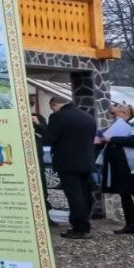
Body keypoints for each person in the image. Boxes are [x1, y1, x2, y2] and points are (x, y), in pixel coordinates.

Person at [46, 98, 98, 239]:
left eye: (52, 108)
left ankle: (79, 227)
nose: (53, 110)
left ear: (56, 105)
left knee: (74, 196)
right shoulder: (88, 117)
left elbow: (50, 138)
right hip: (87, 161)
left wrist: (40, 128)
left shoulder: (58, 116)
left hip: (67, 162)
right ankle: (85, 224)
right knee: (85, 194)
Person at [99, 103, 134, 236]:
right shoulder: (121, 125)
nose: (113, 117)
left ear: (123, 113)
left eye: (115, 114)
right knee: (125, 194)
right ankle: (130, 225)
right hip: (122, 166)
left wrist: (113, 139)